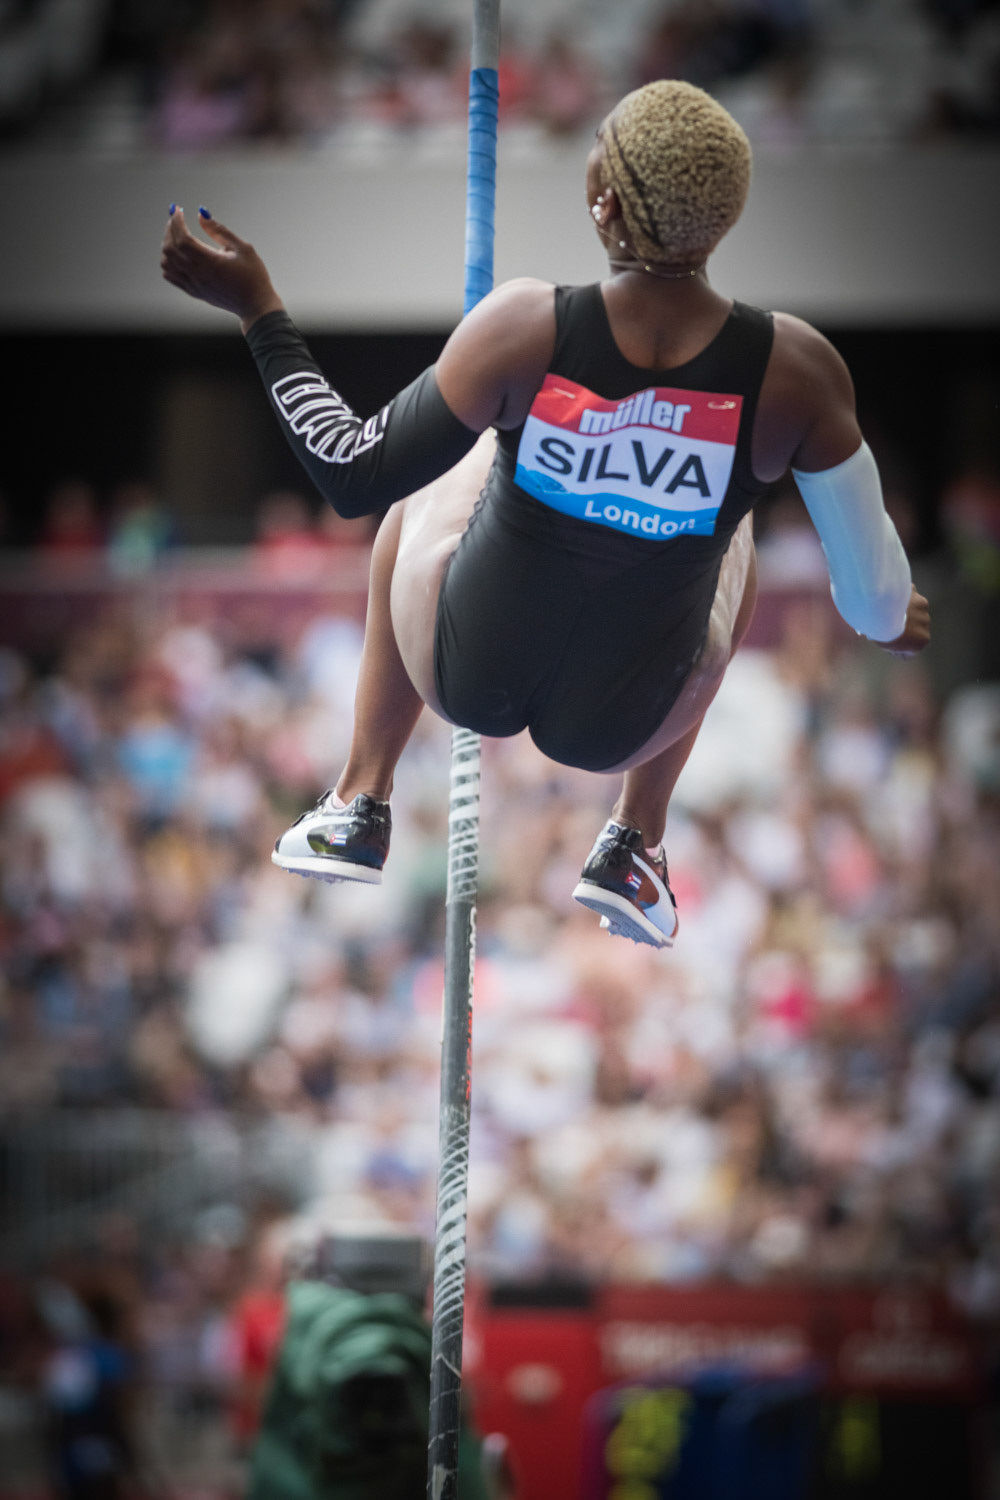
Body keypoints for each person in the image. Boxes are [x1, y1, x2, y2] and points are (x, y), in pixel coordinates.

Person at [160, 79, 930, 950]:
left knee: (455, 454)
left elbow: (351, 472)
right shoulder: (798, 370)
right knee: (738, 517)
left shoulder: (529, 325)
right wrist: (893, 614)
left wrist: (259, 309)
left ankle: (358, 800)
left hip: (463, 668)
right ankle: (634, 842)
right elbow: (872, 604)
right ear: (723, 216)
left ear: (602, 201)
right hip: (627, 720)